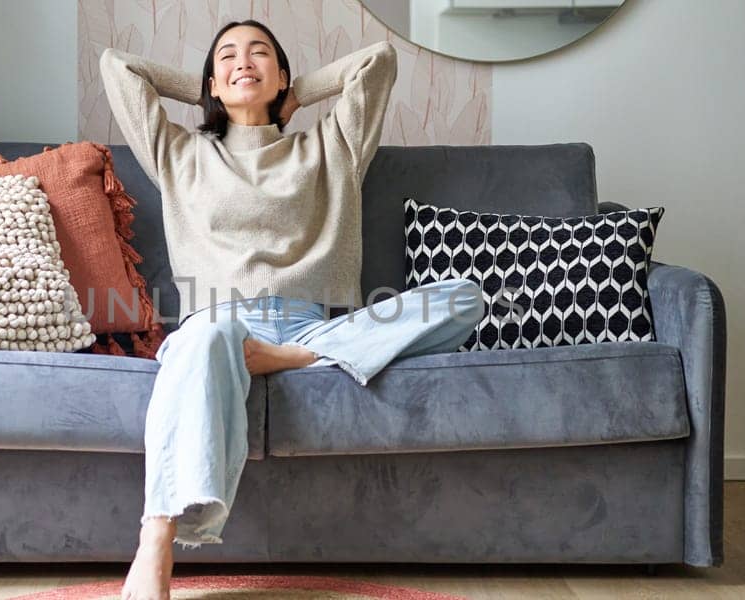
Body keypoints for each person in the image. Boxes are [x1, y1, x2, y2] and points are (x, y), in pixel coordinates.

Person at [100, 20, 484, 600]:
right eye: (227, 56)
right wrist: (213, 88)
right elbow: (117, 66)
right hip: (217, 323)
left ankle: (286, 355)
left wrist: (295, 92)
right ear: (212, 82)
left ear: (282, 75)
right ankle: (156, 538)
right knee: (205, 340)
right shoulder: (179, 154)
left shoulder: (331, 149)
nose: (242, 61)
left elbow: (377, 60)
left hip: (315, 326)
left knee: (465, 297)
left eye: (260, 53)